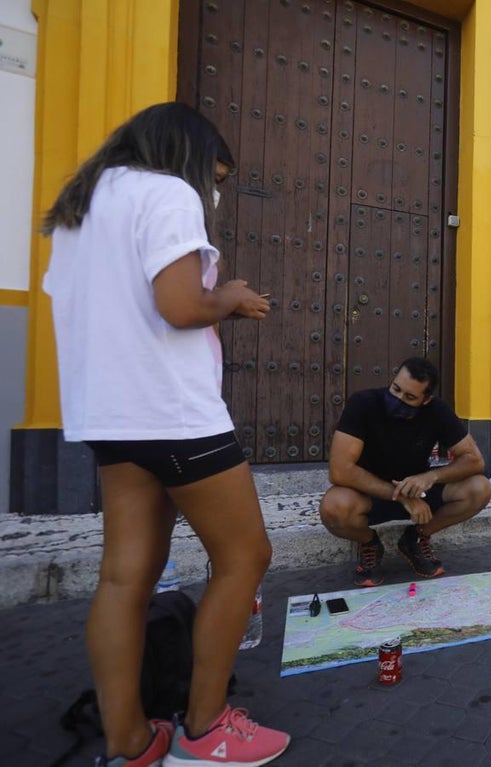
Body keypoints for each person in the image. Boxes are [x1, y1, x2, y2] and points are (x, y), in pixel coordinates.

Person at [41, 102, 290, 767]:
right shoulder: (167, 193)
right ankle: (206, 729)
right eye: (214, 177)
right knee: (245, 556)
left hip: (110, 416)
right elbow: (179, 305)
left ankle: (131, 741)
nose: (212, 194)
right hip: (175, 413)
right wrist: (230, 297)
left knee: (125, 578)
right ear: (184, 152)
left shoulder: (81, 210)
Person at [319, 358, 491, 582]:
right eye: (396, 389)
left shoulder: (437, 410)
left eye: (409, 397)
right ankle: (369, 543)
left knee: (481, 488)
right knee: (333, 507)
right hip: (371, 493)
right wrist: (400, 496)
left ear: (426, 399)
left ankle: (416, 539)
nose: (398, 399)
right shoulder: (363, 404)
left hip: (418, 493)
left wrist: (432, 476)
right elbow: (340, 471)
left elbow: (474, 460)